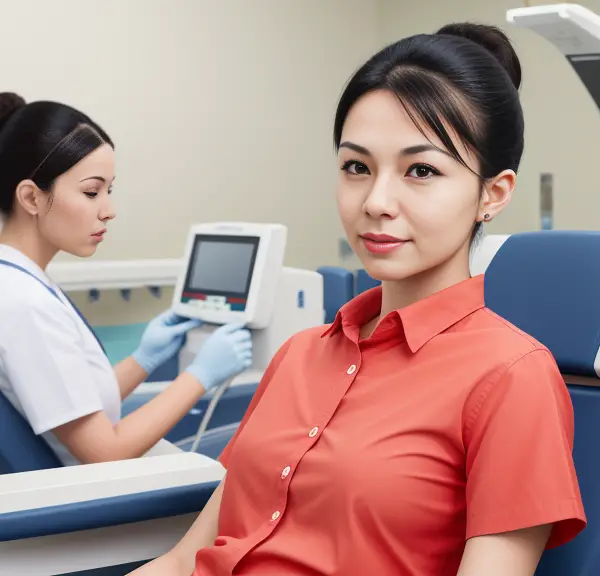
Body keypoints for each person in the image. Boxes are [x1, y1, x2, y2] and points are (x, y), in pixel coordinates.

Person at [131, 22, 586, 576]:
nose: (376, 201)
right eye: (356, 167)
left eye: (421, 170)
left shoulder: (512, 378)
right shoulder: (298, 355)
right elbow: (183, 562)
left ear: (492, 194)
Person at [0, 94, 252, 466]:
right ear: (31, 197)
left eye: (109, 190)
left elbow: (74, 405)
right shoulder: (25, 304)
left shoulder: (21, 281)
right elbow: (105, 452)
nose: (109, 210)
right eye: (91, 191)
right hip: (101, 514)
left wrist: (144, 359)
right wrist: (201, 375)